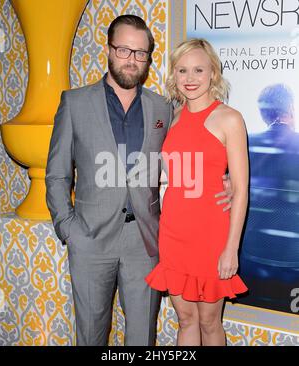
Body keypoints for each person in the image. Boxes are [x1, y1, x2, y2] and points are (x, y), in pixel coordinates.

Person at [45, 16, 231, 347]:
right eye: (124, 49)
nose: (131, 59)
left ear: (147, 57)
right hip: (90, 241)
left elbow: (189, 154)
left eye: (140, 53)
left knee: (142, 338)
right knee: (90, 335)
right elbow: (57, 173)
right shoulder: (74, 103)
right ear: (108, 50)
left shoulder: (163, 107)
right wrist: (68, 228)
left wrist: (224, 181)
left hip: (146, 243)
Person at [145, 39, 249, 346]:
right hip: (174, 232)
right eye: (182, 70)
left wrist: (231, 248)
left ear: (213, 73)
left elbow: (241, 189)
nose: (190, 78)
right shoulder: (171, 119)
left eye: (198, 70)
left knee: (209, 322)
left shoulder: (230, 118)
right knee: (186, 319)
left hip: (212, 236)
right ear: (174, 75)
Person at [239, 84, 299, 312]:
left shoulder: (246, 144)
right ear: (291, 108)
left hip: (252, 260)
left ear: (263, 113)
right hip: (294, 264)